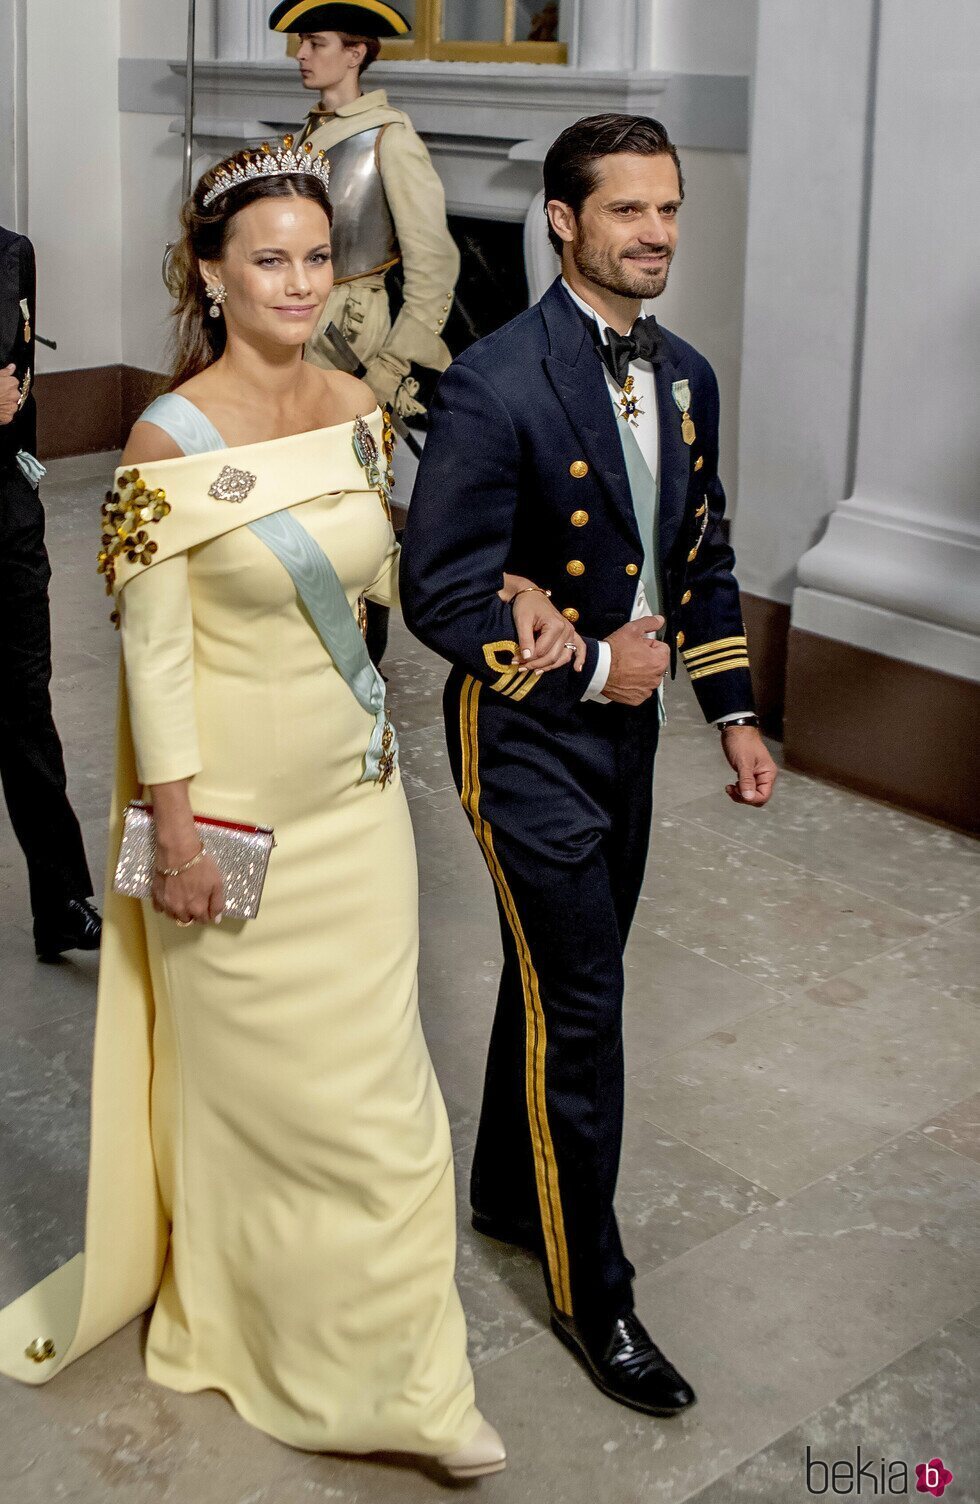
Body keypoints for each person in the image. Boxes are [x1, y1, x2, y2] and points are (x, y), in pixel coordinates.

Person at [0, 139, 575, 1478]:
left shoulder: (361, 411)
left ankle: (411, 1386)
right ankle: (237, 1322)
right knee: (256, 1107)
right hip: (235, 829)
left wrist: (516, 595)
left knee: (384, 1111)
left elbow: (408, 584)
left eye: (319, 256)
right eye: (269, 257)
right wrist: (181, 837)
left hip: (357, 810)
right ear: (210, 271)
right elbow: (155, 660)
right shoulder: (166, 438)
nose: (300, 282)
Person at [400, 114, 779, 1418]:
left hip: (630, 739)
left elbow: (703, 557)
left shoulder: (685, 378)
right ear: (564, 219)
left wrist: (729, 708)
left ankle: (510, 1192)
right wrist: (573, 660)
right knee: (591, 1002)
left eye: (668, 209)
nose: (657, 233)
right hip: (521, 738)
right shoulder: (493, 380)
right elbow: (437, 587)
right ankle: (592, 1289)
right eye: (628, 211)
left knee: (562, 978)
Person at [269, 0, 461, 665]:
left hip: (355, 334)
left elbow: (436, 265)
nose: (300, 53)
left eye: (315, 41)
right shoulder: (308, 135)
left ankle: (359, 656)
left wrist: (387, 369)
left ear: (356, 52)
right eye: (300, 41)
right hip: (297, 330)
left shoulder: (389, 138)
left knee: (354, 502)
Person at [0, 224, 101, 961]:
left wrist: (24, 487)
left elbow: (19, 395)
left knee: (27, 712)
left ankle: (61, 901)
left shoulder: (13, 252)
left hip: (6, 521)